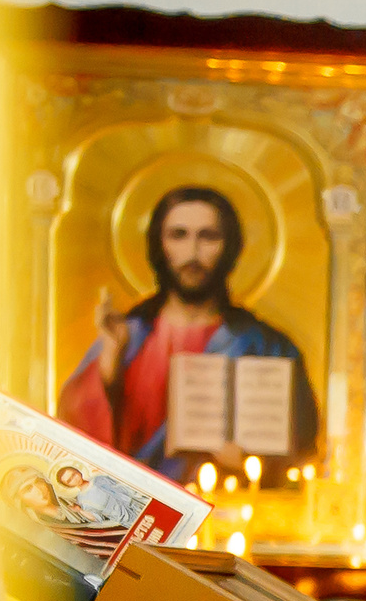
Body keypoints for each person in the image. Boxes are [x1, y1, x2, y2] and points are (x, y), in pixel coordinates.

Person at [57, 184, 319, 480]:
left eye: (208, 236)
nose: (193, 253)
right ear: (160, 246)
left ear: (229, 247)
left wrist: (252, 462)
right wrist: (109, 364)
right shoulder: (127, 337)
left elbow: (302, 451)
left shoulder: (267, 347)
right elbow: (71, 440)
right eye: (178, 235)